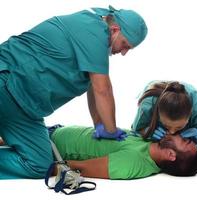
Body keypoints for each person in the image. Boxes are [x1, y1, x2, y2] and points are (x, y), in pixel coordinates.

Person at [0, 5, 148, 179]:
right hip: (7, 81)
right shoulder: (94, 32)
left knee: (40, 165)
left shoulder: (99, 30)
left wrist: (99, 125)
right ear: (115, 30)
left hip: (25, 108)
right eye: (125, 45)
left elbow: (93, 87)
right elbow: (103, 90)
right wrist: (111, 129)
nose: (123, 53)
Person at [49, 125, 197, 179]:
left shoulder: (133, 162)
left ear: (171, 155)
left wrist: (44, 166)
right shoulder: (150, 139)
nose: (181, 133)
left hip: (48, 145)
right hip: (54, 130)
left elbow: (75, 169)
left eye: (185, 140)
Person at [131, 81, 197, 152]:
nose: (172, 132)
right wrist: (147, 131)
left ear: (191, 113)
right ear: (158, 111)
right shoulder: (149, 103)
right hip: (155, 88)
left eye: (179, 127)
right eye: (166, 125)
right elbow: (135, 130)